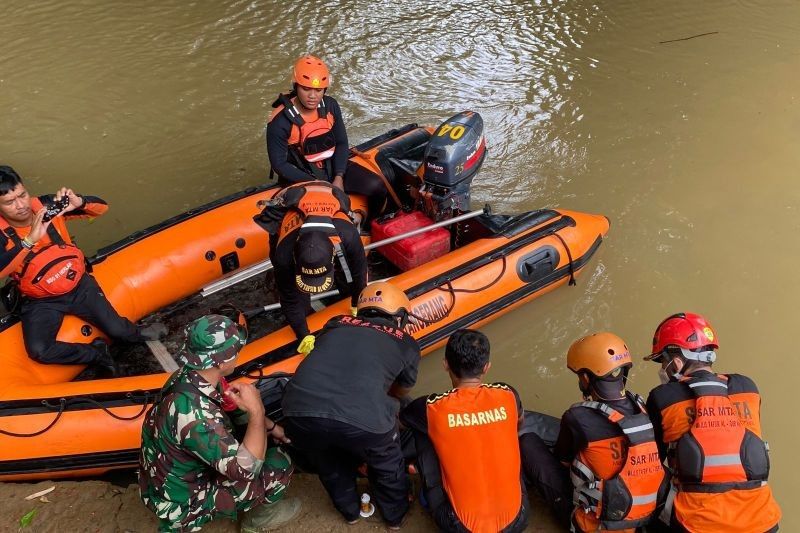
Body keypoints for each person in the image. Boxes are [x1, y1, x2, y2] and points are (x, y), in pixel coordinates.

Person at [139, 314, 299, 532]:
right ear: (221, 362)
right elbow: (245, 470)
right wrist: (257, 412)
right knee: (280, 463)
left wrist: (270, 427)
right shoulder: (197, 416)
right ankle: (257, 522)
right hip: (181, 502)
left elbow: (227, 403)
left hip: (162, 480)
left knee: (253, 441)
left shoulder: (186, 378)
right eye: (235, 351)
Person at [0, 165, 166, 376]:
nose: (21, 205)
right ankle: (96, 353)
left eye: (22, 195)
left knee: (117, 330)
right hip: (41, 299)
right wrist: (29, 241)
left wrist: (80, 202)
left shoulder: (48, 205)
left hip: (78, 284)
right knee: (40, 351)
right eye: (9, 202)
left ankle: (135, 333)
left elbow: (102, 207)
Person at [280, 281, 420, 529]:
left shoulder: (335, 323)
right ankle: (394, 518)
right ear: (399, 317)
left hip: (297, 411)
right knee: (387, 463)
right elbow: (400, 391)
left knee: (329, 464)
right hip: (362, 420)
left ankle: (351, 514)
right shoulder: (406, 342)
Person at [643, 312, 781, 532]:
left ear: (676, 362)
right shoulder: (748, 388)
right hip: (763, 521)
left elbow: (652, 463)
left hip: (695, 525)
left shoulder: (662, 397)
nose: (662, 368)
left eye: (663, 361)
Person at [520, 332, 667, 532]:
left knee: (528, 441)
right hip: (639, 519)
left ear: (586, 378)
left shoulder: (578, 416)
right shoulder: (643, 408)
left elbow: (563, 460)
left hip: (595, 525)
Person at [400, 329, 529, 533]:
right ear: (486, 367)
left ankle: (428, 494)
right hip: (518, 519)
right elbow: (518, 423)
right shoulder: (508, 394)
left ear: (445, 364)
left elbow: (402, 422)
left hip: (461, 526)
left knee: (422, 430)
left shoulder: (431, 406)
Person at [266, 54, 391, 217]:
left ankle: (368, 225)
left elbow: (341, 142)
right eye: (306, 89)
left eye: (318, 90)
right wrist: (317, 184)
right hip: (302, 176)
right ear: (296, 86)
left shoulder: (331, 105)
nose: (313, 96)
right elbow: (280, 164)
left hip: (333, 167)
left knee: (377, 187)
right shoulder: (280, 121)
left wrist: (339, 176)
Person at [254, 179, 367, 355]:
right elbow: (289, 298)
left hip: (325, 192)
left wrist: (357, 304)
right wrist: (303, 335)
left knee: (348, 277)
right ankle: (304, 311)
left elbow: (359, 272)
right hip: (288, 201)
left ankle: (344, 292)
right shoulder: (284, 253)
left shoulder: (347, 234)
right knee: (292, 291)